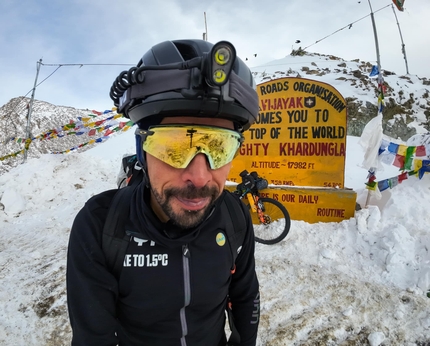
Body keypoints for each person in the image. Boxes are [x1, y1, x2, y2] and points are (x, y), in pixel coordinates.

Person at [66, 39, 260, 346]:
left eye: (219, 147)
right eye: (173, 147)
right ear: (141, 150)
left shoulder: (235, 216)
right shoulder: (102, 225)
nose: (199, 177)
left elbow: (245, 295)